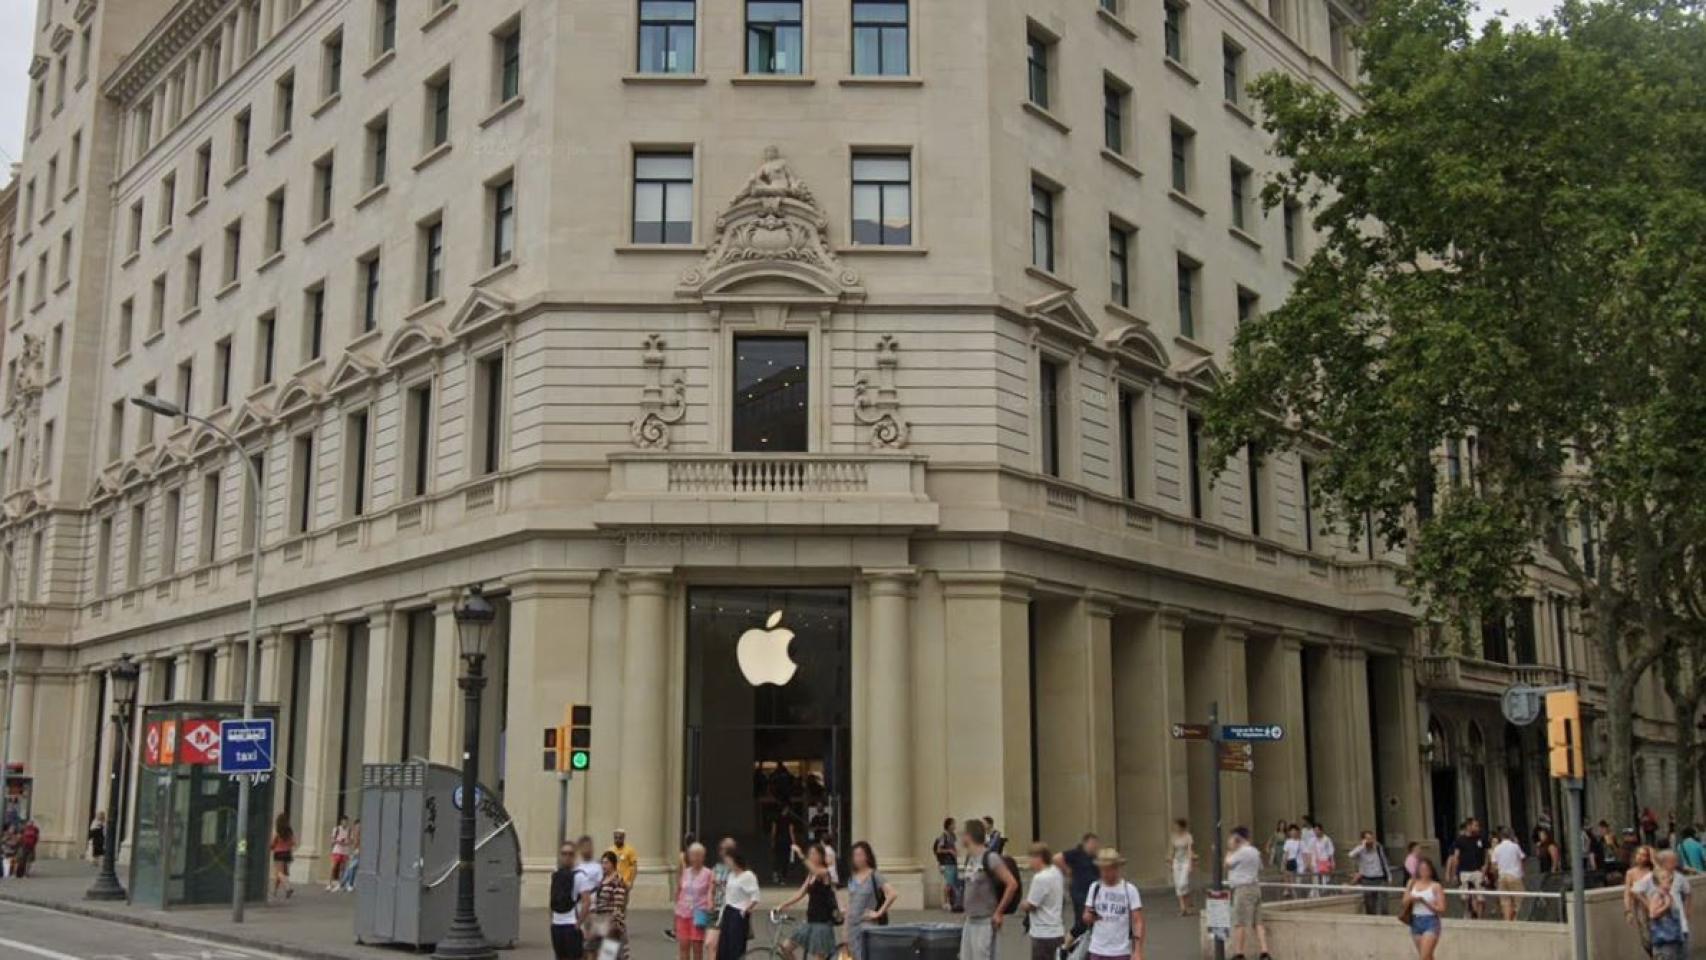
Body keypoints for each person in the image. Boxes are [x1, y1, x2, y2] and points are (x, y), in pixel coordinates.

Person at [958, 818, 1019, 960]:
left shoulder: (990, 858)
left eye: (963, 834)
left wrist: (999, 912)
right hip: (970, 920)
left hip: (985, 921)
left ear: (969, 835)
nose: (961, 838)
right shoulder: (971, 858)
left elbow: (1012, 884)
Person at [776, 844, 840, 960]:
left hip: (822, 922)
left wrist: (800, 855)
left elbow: (816, 871)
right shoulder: (811, 875)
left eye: (814, 854)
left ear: (821, 857)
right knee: (785, 948)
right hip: (810, 920)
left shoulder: (824, 873)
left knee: (819, 956)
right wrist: (784, 904)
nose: (811, 856)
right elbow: (801, 893)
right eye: (810, 854)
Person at [1082, 848, 1145, 960]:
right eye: (1102, 869)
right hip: (1097, 949)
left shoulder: (1129, 890)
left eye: (1108, 869)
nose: (1104, 873)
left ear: (1117, 868)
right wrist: (1088, 917)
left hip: (1120, 951)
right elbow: (1086, 915)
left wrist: (1138, 951)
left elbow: (1138, 921)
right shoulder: (1095, 887)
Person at [847, 841, 896, 960]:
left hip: (867, 924)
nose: (858, 858)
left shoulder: (874, 875)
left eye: (860, 855)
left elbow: (892, 893)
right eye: (855, 855)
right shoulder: (853, 877)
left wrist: (879, 913)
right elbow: (851, 903)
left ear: (867, 856)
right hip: (852, 925)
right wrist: (845, 931)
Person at [1021, 843, 1066, 960]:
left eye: (1030, 858)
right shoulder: (1056, 872)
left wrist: (1023, 904)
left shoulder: (1040, 878)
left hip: (1042, 933)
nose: (1029, 862)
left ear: (1039, 858)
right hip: (1057, 931)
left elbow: (1031, 905)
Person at [715, 848, 759, 960]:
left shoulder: (747, 875)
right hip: (728, 910)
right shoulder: (731, 875)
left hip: (738, 912)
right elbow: (730, 893)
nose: (727, 863)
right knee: (724, 945)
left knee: (736, 945)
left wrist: (746, 910)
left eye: (728, 860)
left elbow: (755, 896)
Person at [588, 850, 633, 960]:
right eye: (602, 863)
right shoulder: (602, 879)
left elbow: (618, 905)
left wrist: (615, 924)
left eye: (606, 863)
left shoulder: (617, 881)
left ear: (613, 864)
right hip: (600, 923)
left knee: (608, 956)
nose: (604, 866)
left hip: (612, 925)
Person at [552, 842, 592, 960]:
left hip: (571, 924)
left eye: (570, 854)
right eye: (564, 853)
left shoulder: (580, 876)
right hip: (556, 924)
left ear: (574, 856)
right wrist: (552, 920)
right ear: (560, 855)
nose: (567, 857)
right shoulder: (556, 874)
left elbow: (587, 901)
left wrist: (579, 923)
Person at [675, 842, 714, 960]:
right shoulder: (685, 872)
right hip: (683, 913)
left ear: (703, 857)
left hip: (699, 914)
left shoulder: (708, 873)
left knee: (697, 948)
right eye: (693, 855)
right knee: (683, 946)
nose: (695, 858)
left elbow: (711, 892)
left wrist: (710, 905)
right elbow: (679, 890)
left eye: (698, 855)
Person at [1401, 858, 1444, 960]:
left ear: (1431, 871)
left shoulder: (1436, 886)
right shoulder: (1412, 883)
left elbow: (1441, 908)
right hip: (1416, 921)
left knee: (1424, 956)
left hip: (1430, 921)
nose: (1424, 872)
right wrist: (1411, 897)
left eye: (1426, 869)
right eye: (1421, 869)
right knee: (1427, 956)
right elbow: (1404, 902)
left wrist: (1425, 902)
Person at [1445, 818, 1489, 918]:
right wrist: (1454, 873)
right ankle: (1468, 911)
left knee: (1480, 896)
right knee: (1464, 896)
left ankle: (1479, 917)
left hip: (1478, 870)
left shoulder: (1481, 838)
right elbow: (1455, 857)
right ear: (1468, 826)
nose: (1477, 828)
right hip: (1464, 871)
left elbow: (1486, 853)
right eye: (1475, 825)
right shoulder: (1460, 840)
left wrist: (1485, 866)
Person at [704, 838, 736, 960]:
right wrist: (710, 901)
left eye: (728, 849)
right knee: (710, 943)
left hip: (731, 910)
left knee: (728, 948)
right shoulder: (716, 868)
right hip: (717, 909)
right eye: (723, 849)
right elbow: (710, 887)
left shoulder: (739, 869)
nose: (724, 852)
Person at [1065, 833, 1101, 938]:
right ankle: (1065, 946)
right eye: (1092, 843)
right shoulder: (1076, 854)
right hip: (1079, 893)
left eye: (1096, 844)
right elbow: (1057, 858)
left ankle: (1081, 945)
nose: (1094, 846)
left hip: (1092, 894)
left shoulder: (1095, 858)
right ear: (1085, 843)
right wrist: (1068, 871)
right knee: (1081, 923)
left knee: (1089, 923)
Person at [1624, 844, 1657, 956]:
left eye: (1644, 855)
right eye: (1638, 854)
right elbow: (1628, 893)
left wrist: (1654, 858)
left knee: (1658, 936)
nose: (1640, 857)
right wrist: (1628, 911)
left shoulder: (1653, 871)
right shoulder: (1631, 873)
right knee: (1646, 939)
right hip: (1641, 909)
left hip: (1655, 906)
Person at [1350, 830, 1391, 915]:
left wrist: (1389, 876)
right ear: (1363, 840)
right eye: (1367, 838)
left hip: (1380, 879)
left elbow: (1384, 862)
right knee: (1370, 905)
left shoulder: (1378, 848)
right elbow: (1351, 855)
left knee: (1383, 904)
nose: (1370, 841)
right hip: (1367, 880)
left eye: (1371, 838)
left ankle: (1385, 919)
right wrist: (1362, 846)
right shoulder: (1360, 850)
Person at [1491, 828, 1526, 920]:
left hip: (1502, 876)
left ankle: (1507, 921)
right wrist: (1522, 872)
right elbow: (1521, 859)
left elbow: (1494, 864)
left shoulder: (1497, 848)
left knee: (1505, 901)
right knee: (1519, 900)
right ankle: (1517, 920)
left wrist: (1496, 876)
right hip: (1514, 875)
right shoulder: (1515, 846)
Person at [1167, 819, 1197, 916]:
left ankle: (1189, 901)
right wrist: (1170, 861)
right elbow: (1172, 850)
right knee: (1178, 885)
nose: (1175, 828)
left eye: (1177, 826)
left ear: (1182, 826)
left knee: (1183, 884)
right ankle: (1183, 908)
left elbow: (1190, 851)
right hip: (1176, 861)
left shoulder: (1188, 836)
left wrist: (1191, 864)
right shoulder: (1174, 837)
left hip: (1185, 861)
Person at [935, 818, 961, 912]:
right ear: (949, 825)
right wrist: (949, 851)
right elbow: (939, 849)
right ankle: (946, 903)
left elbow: (953, 846)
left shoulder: (953, 835)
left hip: (953, 862)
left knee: (953, 882)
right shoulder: (944, 835)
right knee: (948, 883)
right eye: (953, 824)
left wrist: (955, 852)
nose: (955, 826)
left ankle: (953, 901)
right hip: (947, 862)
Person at [270, 814, 296, 900]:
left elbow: (273, 844)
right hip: (287, 853)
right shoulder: (289, 832)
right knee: (281, 873)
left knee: (279, 873)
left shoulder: (278, 832)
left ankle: (288, 887)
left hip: (278, 853)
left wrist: (271, 847)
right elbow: (293, 843)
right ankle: (274, 891)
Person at [327, 816, 353, 891]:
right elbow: (332, 839)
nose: (345, 823)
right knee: (333, 867)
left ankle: (340, 883)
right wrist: (338, 841)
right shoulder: (336, 829)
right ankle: (329, 883)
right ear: (341, 822)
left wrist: (347, 842)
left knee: (343, 868)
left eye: (346, 821)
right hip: (337, 850)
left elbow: (351, 840)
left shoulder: (349, 830)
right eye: (343, 821)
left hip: (345, 851)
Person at [1309, 824, 1336, 894]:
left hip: (1324, 862)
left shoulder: (1327, 839)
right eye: (1314, 830)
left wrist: (1332, 864)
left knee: (1325, 880)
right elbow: (1309, 852)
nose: (1316, 832)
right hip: (1315, 862)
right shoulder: (1312, 840)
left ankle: (1325, 893)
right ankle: (1315, 894)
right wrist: (1309, 864)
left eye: (1317, 830)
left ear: (1321, 830)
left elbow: (1331, 853)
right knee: (1315, 879)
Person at [1282, 825, 1306, 897]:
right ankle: (1291, 892)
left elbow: (1305, 854)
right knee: (1289, 878)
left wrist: (1306, 864)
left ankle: (1296, 894)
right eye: (1291, 831)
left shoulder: (1301, 842)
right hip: (1290, 862)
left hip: (1299, 863)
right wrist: (1283, 863)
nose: (1293, 833)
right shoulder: (1288, 842)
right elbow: (1286, 854)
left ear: (1298, 832)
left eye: (1294, 831)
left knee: (1297, 881)